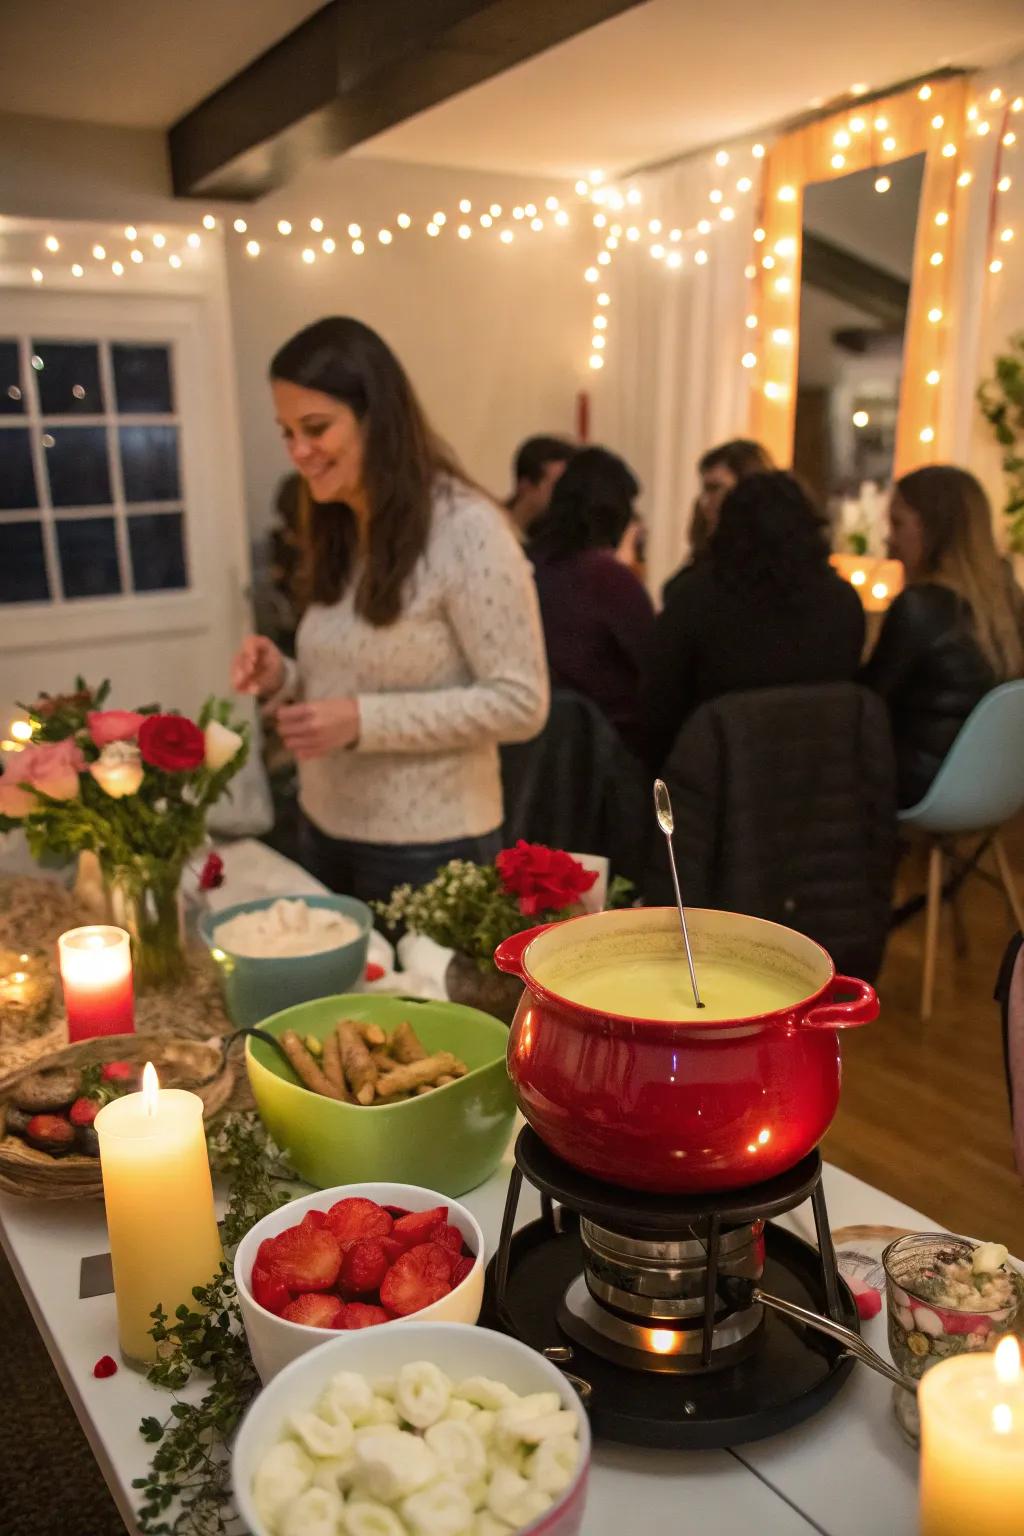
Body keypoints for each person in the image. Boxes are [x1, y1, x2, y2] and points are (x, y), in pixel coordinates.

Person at [232, 317, 549, 905]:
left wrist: (361, 722)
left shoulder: (468, 529)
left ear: (377, 419)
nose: (299, 452)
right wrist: (286, 677)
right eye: (286, 432)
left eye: (316, 428)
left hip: (431, 844)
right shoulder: (338, 523)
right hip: (325, 823)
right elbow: (354, 677)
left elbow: (521, 703)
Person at [644, 471, 865, 771]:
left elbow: (658, 710)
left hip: (715, 783)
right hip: (817, 783)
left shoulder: (695, 599)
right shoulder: (843, 603)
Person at [862, 465, 1024, 808]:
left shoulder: (921, 606)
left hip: (922, 784)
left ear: (934, 529)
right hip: (1002, 786)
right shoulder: (1010, 601)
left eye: (898, 524)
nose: (888, 541)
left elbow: (869, 699)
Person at [527, 446, 654, 758]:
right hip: (604, 752)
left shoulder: (524, 565)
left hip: (530, 750)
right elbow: (655, 665)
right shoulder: (608, 579)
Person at [663, 438, 774, 603]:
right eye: (705, 490)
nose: (704, 502)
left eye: (714, 489)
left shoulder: (768, 569)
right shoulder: (706, 555)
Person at [505, 435, 577, 539]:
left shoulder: (555, 539)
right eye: (556, 486)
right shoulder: (490, 532)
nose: (564, 495)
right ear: (525, 486)